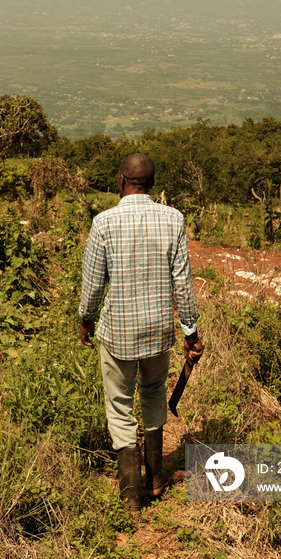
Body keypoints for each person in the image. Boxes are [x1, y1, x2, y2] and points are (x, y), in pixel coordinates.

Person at [79, 153, 203, 511]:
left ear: (121, 180)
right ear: (151, 182)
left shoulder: (104, 223)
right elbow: (182, 280)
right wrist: (190, 331)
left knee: (119, 405)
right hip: (157, 331)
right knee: (152, 394)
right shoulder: (173, 219)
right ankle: (156, 480)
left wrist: (86, 319)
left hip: (118, 331)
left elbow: (93, 283)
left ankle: (131, 494)